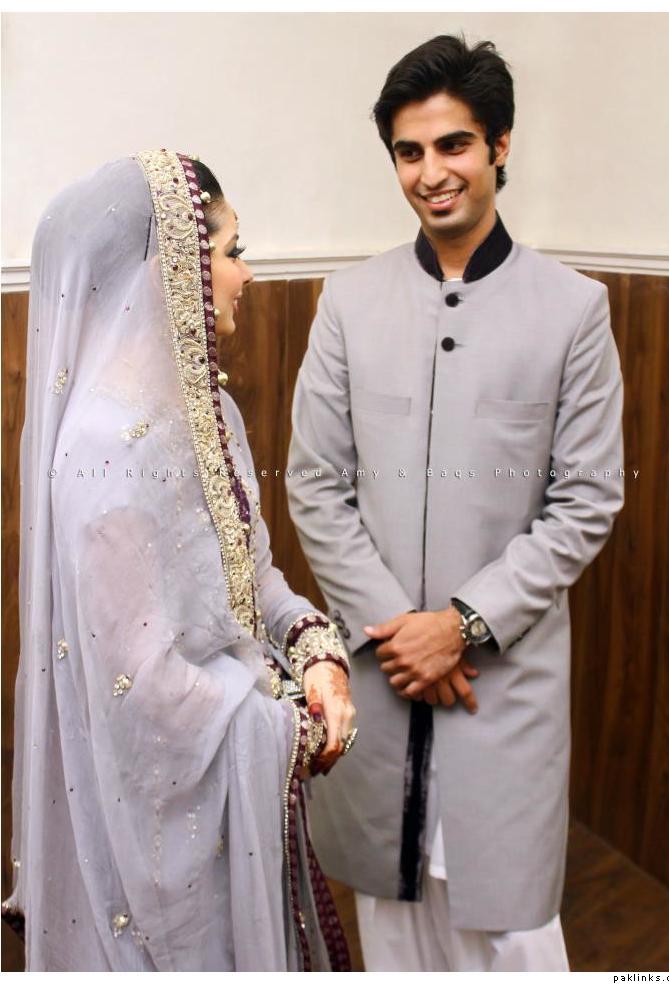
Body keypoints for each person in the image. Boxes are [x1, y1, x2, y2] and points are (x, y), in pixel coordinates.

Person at [286, 34, 625, 972]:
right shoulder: (347, 302)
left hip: (502, 689)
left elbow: (585, 500)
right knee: (392, 927)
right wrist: (404, 635)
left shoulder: (573, 308)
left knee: (514, 939)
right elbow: (314, 483)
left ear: (499, 146)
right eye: (409, 152)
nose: (430, 173)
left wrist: (462, 627)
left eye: (453, 145)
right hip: (384, 677)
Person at [2, 149, 356, 972]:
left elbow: (247, 577)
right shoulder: (106, 454)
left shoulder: (205, 410)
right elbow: (149, 695)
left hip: (231, 803)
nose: (246, 275)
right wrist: (291, 729)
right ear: (169, 272)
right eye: (231, 251)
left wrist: (312, 646)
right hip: (166, 836)